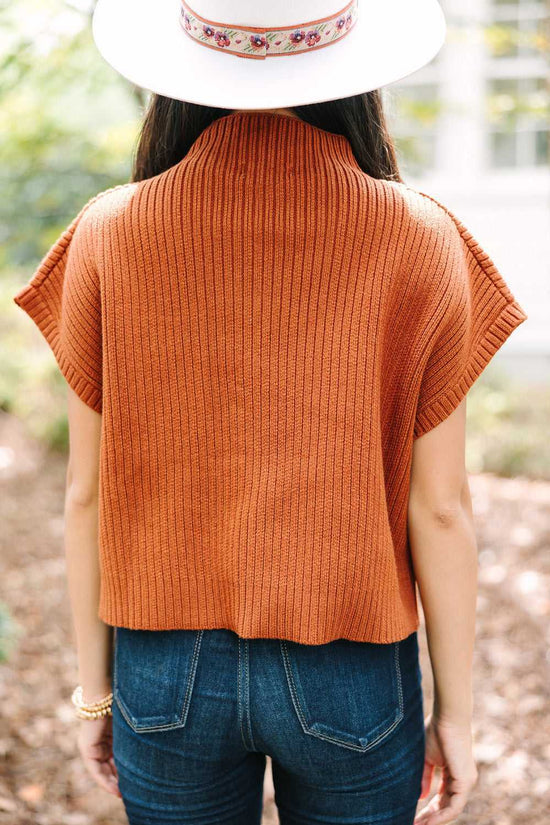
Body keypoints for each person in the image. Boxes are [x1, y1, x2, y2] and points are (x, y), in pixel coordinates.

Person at [13, 1, 528, 823]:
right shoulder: (419, 237)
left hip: (163, 670)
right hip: (353, 674)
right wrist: (456, 714)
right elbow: (439, 506)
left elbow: (86, 494)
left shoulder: (111, 232)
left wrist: (95, 693)